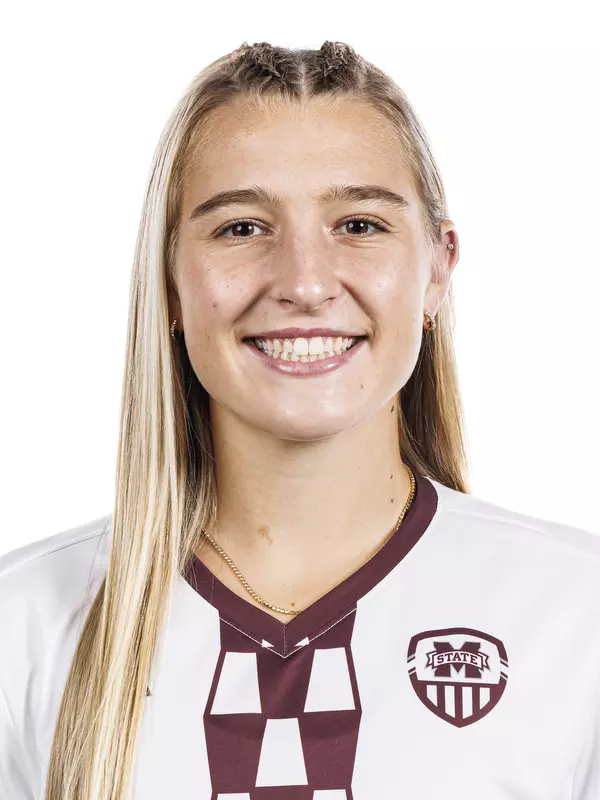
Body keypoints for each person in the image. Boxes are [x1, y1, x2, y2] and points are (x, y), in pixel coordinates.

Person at [1, 39, 599, 800]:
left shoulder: (577, 616)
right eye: (242, 228)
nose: (305, 283)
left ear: (437, 268)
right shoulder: (22, 626)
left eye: (359, 225)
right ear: (170, 283)